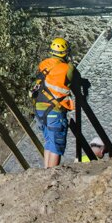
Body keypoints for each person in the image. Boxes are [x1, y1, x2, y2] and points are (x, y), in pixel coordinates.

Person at [32, 37, 75, 168]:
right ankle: (51, 175)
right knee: (56, 145)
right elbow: (71, 79)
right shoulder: (67, 68)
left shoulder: (43, 64)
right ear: (66, 53)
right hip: (54, 110)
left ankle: (46, 172)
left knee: (49, 142)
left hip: (39, 109)